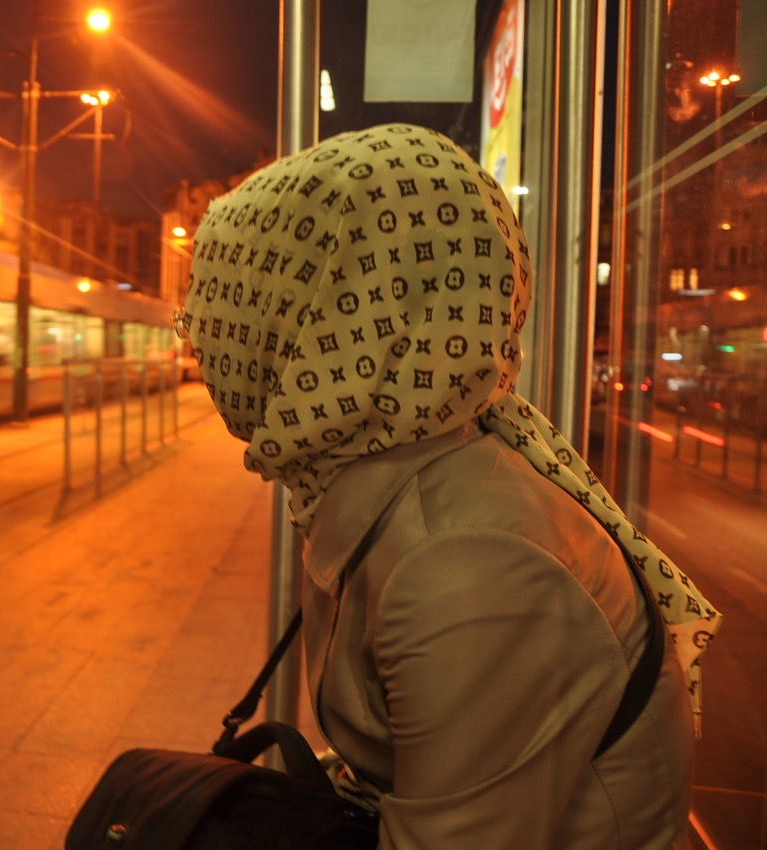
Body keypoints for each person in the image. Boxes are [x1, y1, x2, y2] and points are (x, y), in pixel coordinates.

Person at [178, 123, 723, 848]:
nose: (199, 332)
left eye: (225, 298)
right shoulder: (392, 475)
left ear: (325, 313)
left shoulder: (471, 561)